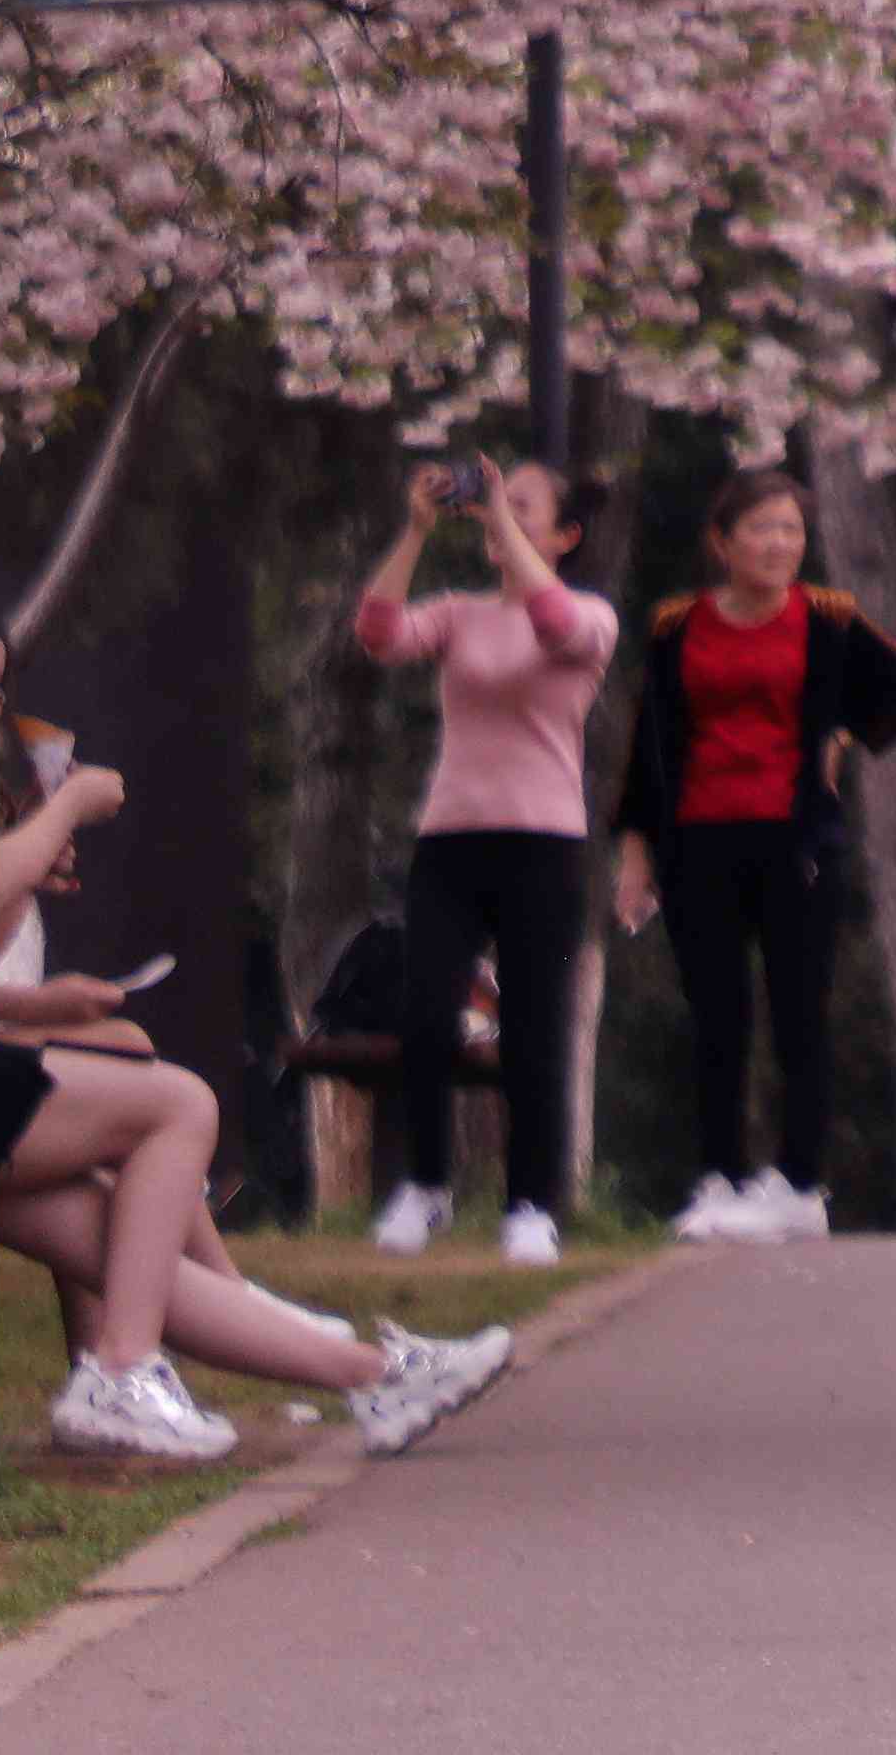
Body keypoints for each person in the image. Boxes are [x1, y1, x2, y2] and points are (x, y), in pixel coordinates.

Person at [0, 597, 512, 1464]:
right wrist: (68, 808)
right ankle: (122, 1370)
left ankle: (375, 1375)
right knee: (178, 1105)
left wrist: (33, 869)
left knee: (125, 1240)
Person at [609, 457, 896, 1245]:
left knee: (799, 1015)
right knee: (715, 1016)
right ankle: (718, 1179)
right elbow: (648, 744)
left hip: (796, 841)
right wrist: (635, 852)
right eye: (762, 528)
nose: (779, 543)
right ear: (722, 542)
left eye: (791, 529)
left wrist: (847, 735)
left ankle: (798, 1183)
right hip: (697, 837)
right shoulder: (675, 625)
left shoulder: (827, 615)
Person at [348, 449, 611, 1262]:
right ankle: (425, 1187)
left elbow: (553, 624)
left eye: (524, 506)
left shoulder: (590, 616)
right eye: (498, 502)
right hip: (451, 840)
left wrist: (497, 513)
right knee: (426, 1015)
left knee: (534, 1025)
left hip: (546, 844)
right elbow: (379, 635)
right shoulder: (460, 613)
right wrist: (417, 530)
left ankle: (530, 1204)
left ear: (564, 535)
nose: (500, 514)